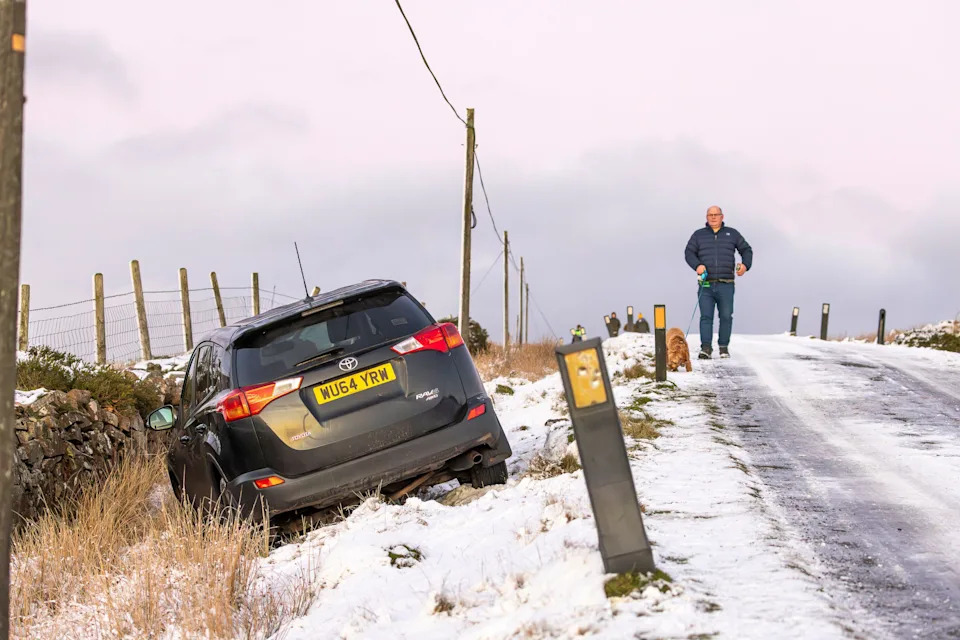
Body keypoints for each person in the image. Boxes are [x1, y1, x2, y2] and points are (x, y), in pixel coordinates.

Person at [684, 205, 753, 359]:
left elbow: (746, 250)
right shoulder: (698, 235)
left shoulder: (732, 234)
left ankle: (723, 347)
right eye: (710, 215)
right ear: (706, 217)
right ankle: (706, 348)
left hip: (726, 283)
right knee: (706, 316)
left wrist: (745, 265)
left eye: (716, 214)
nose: (713, 217)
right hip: (706, 285)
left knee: (726, 316)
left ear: (722, 216)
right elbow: (688, 252)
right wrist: (697, 265)